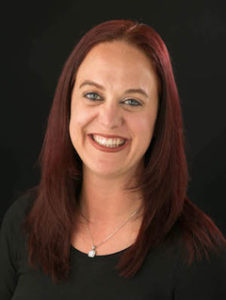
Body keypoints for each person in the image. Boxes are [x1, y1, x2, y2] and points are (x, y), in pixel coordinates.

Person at [0, 19, 226, 300]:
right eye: (93, 95)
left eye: (132, 101)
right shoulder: (24, 221)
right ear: (68, 104)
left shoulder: (197, 252)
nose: (108, 119)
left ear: (160, 118)